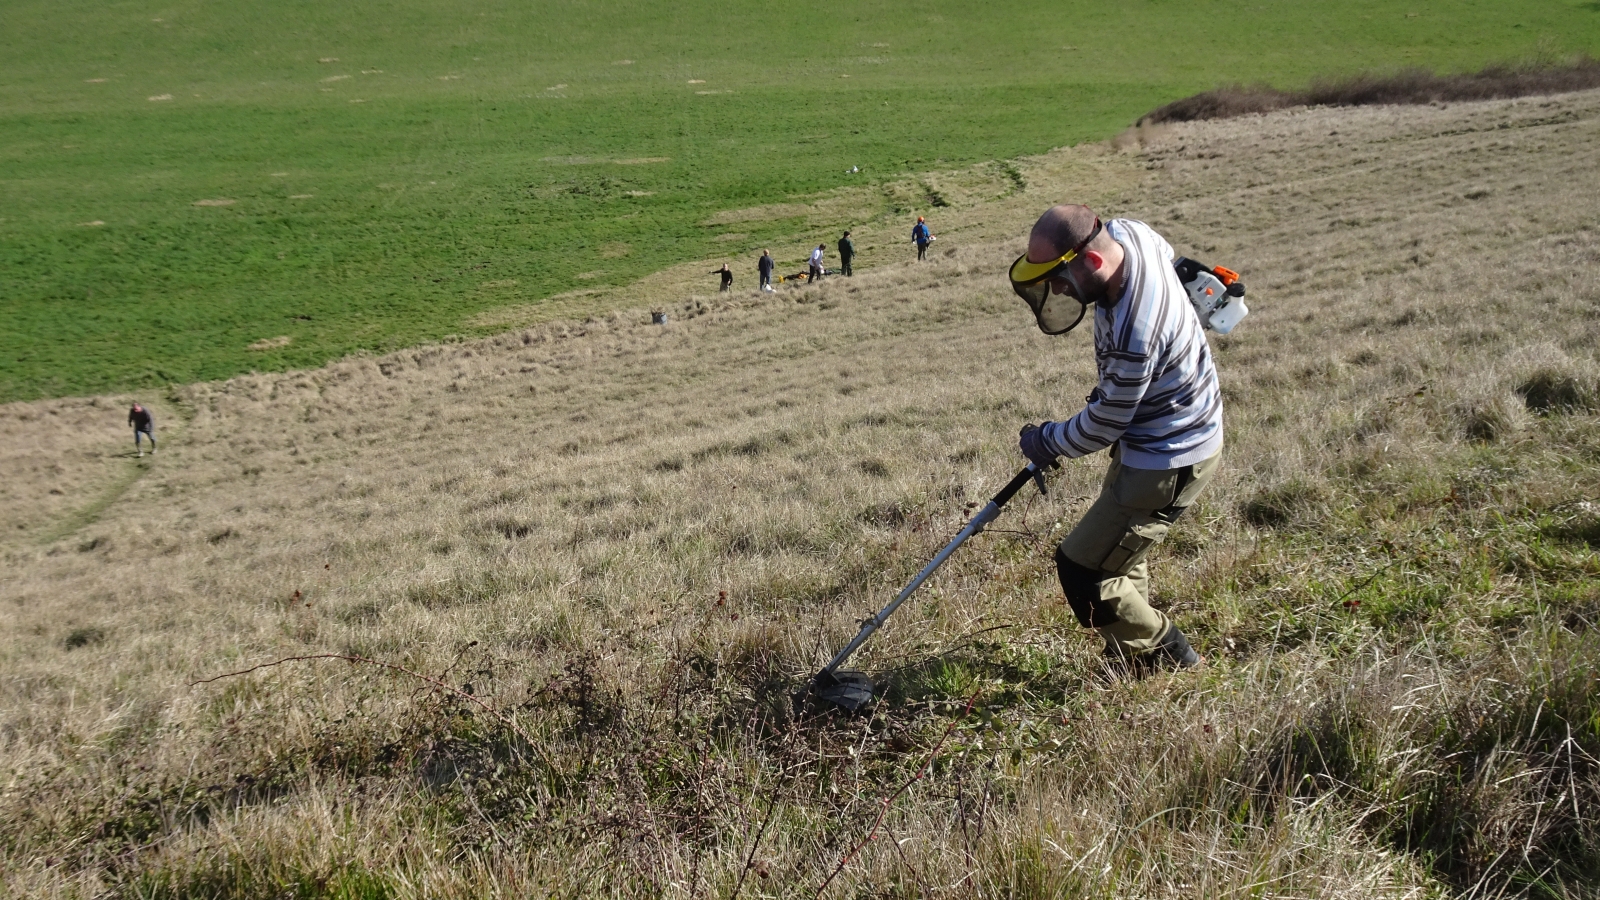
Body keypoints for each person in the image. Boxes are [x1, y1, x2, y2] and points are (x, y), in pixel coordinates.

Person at [1009, 204, 1223, 674]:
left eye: (1058, 277)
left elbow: (1104, 424)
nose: (1056, 289)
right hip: (1152, 438)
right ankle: (1133, 653)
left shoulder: (1134, 332)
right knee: (1117, 555)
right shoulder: (1131, 233)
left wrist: (1047, 440)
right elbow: (1168, 255)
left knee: (1083, 571)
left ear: (1091, 262)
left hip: (1169, 456)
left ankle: (1168, 656)